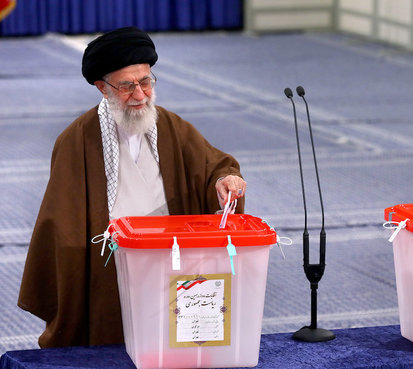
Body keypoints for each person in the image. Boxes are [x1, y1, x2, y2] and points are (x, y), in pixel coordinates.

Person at [17, 26, 246, 348]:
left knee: (179, 348)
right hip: (112, 261)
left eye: (146, 82)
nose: (140, 95)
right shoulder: (77, 139)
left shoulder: (172, 126)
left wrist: (225, 181)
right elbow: (62, 219)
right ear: (102, 87)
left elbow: (213, 167)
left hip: (174, 256)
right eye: (127, 86)